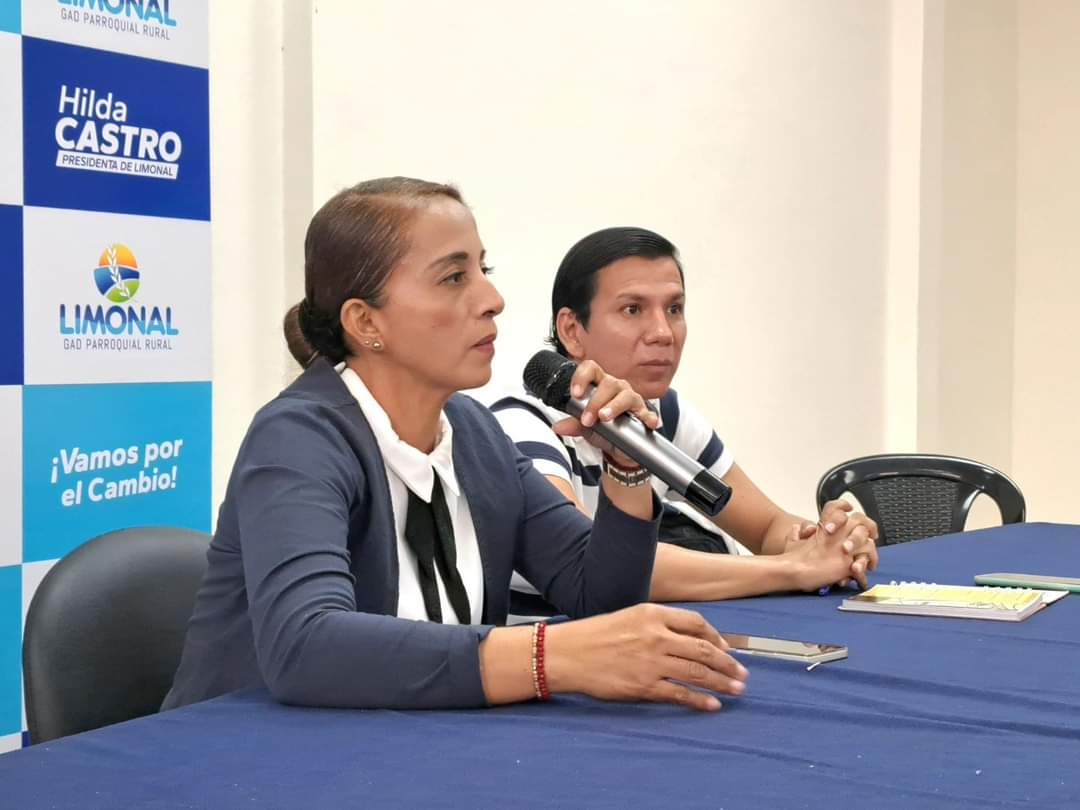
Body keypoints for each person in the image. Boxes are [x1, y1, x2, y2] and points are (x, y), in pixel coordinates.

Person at [162, 178, 757, 715]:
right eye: (454, 277)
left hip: (408, 748)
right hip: (243, 758)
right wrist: (549, 656)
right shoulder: (298, 437)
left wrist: (626, 465)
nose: (492, 298)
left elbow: (596, 595)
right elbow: (306, 645)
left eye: (482, 269)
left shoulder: (472, 433)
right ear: (366, 322)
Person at [487, 226, 879, 612]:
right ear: (572, 331)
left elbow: (766, 527)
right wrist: (793, 568)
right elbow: (602, 565)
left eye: (674, 309)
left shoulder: (663, 413)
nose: (663, 333)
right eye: (633, 309)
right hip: (558, 643)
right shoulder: (523, 423)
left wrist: (827, 541)